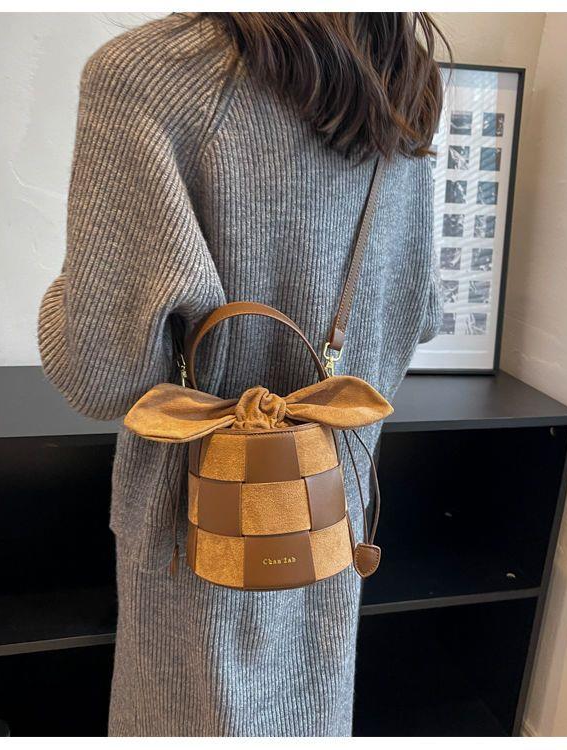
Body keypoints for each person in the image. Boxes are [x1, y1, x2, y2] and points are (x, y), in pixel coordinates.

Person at [38, 11, 446, 737]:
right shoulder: (400, 77)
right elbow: (416, 314)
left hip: (198, 533)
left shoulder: (151, 75)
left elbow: (98, 375)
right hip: (331, 508)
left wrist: (66, 299)